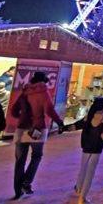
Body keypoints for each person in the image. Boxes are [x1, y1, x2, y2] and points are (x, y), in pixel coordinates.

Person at [10, 71, 65, 200]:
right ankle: (26, 182)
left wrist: (22, 118)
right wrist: (59, 123)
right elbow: (49, 110)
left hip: (22, 128)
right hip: (37, 129)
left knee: (20, 161)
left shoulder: (25, 91)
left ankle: (18, 190)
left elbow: (14, 111)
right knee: (36, 156)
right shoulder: (43, 92)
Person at [70, 96, 103, 204]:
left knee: (83, 168)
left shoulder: (88, 118)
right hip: (96, 149)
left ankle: (78, 187)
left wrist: (63, 128)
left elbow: (75, 126)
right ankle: (82, 198)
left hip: (86, 147)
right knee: (90, 174)